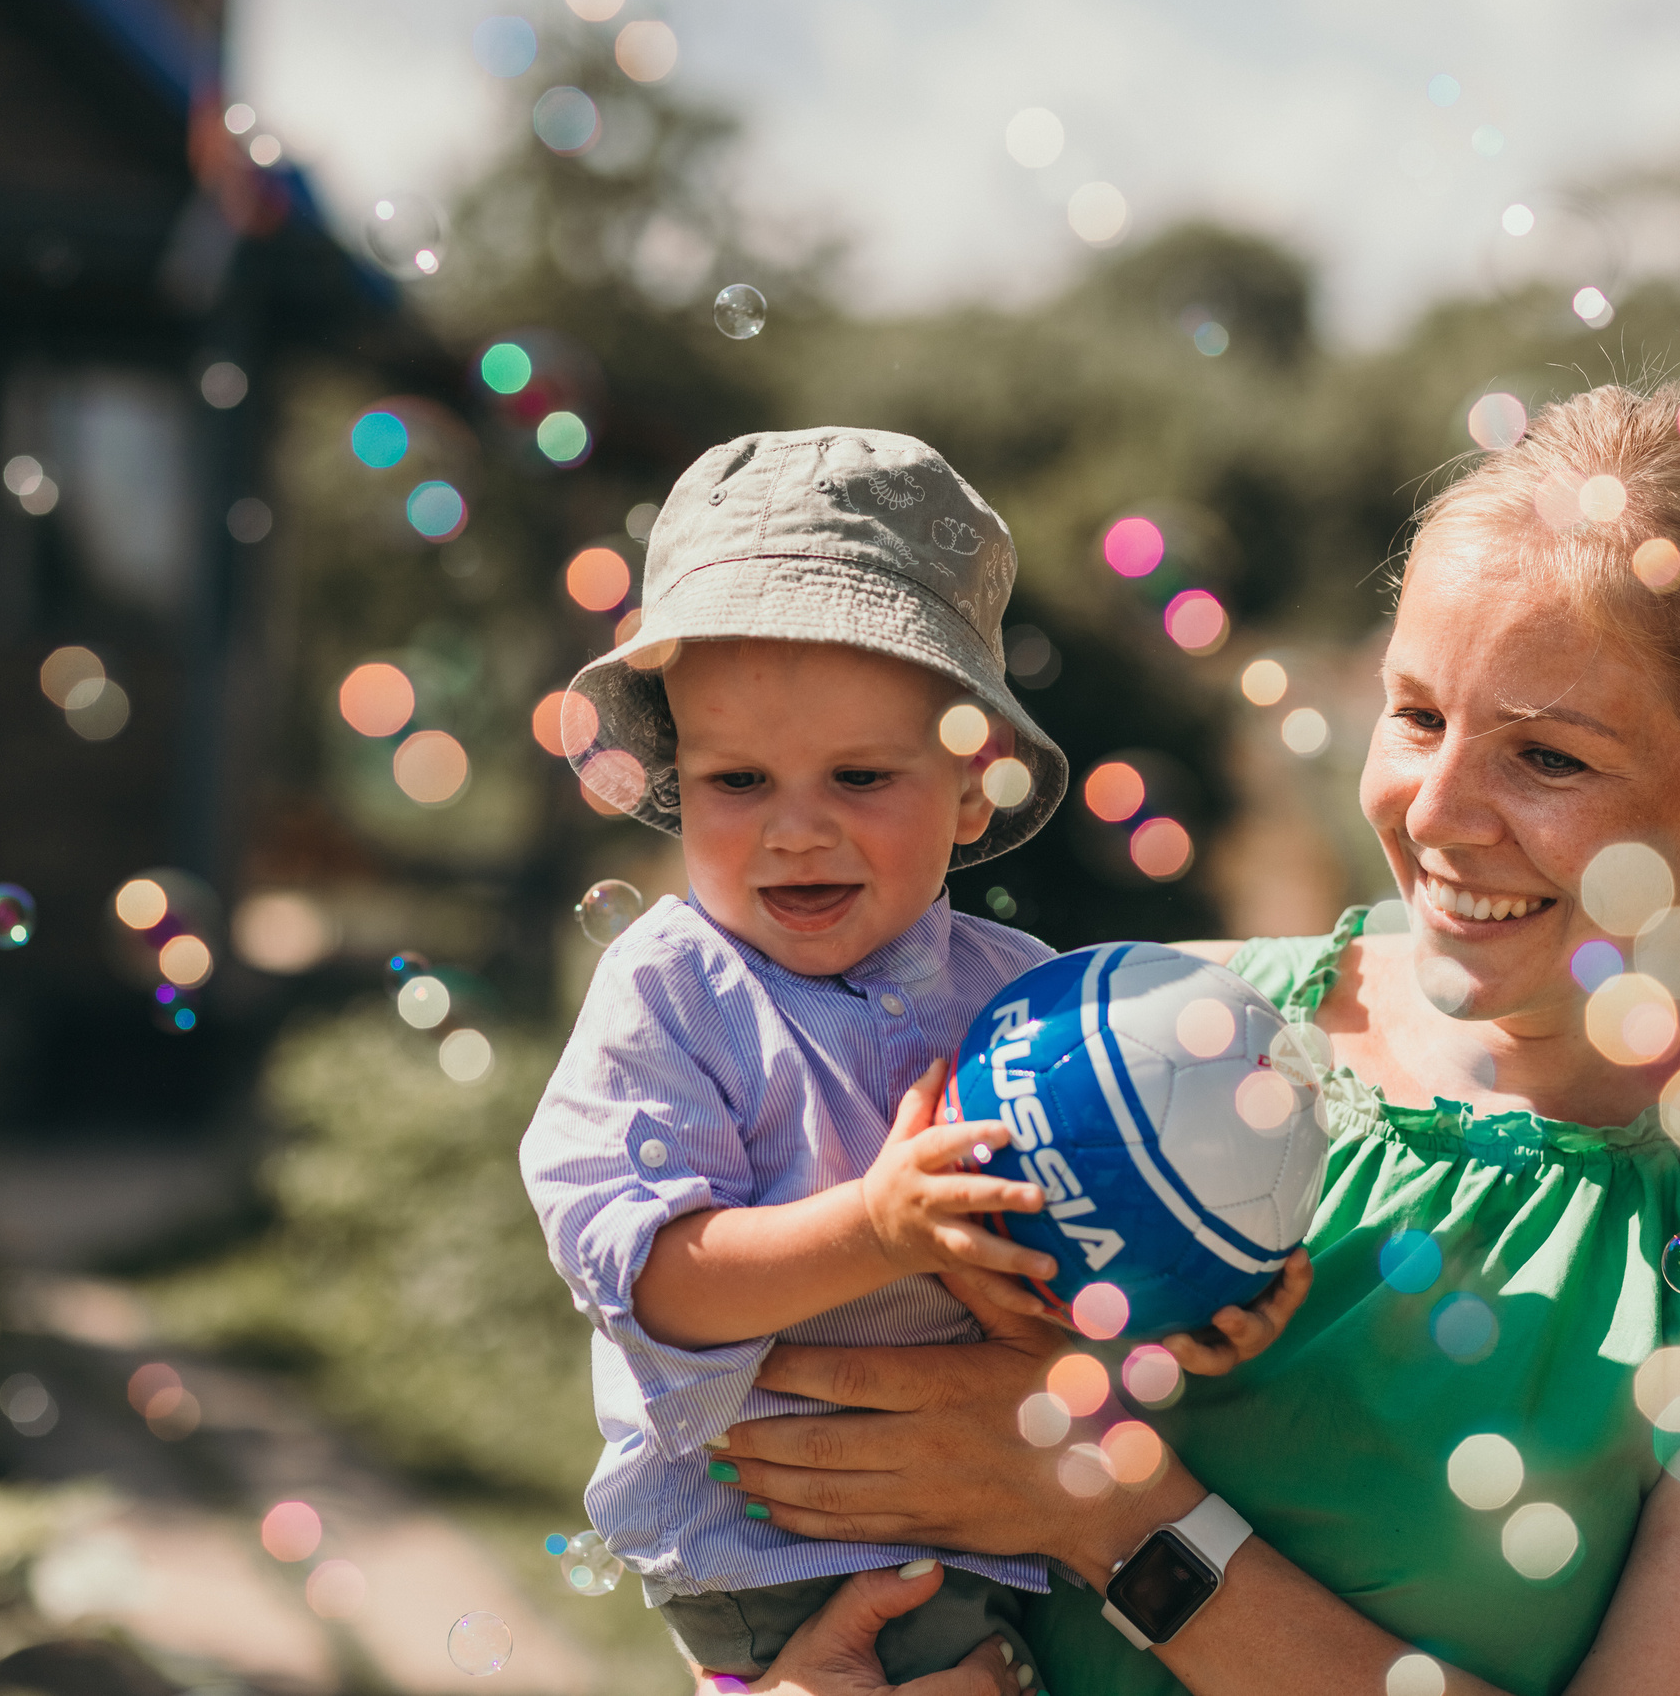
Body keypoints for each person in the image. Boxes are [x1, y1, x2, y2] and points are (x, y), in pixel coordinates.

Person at [702, 385, 1680, 1696]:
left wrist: (1108, 1509)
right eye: (1418, 715)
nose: (1437, 811)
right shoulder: (1138, 1031)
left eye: (1547, 758)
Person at [520, 429, 1285, 1687]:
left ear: (973, 789)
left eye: (861, 775)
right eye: (737, 780)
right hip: (774, 1558)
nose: (796, 829)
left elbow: (1075, 1242)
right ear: (674, 782)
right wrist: (875, 1226)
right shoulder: (672, 993)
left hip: (988, 1532)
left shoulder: (1025, 1002)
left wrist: (1194, 1284)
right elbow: (652, 1280)